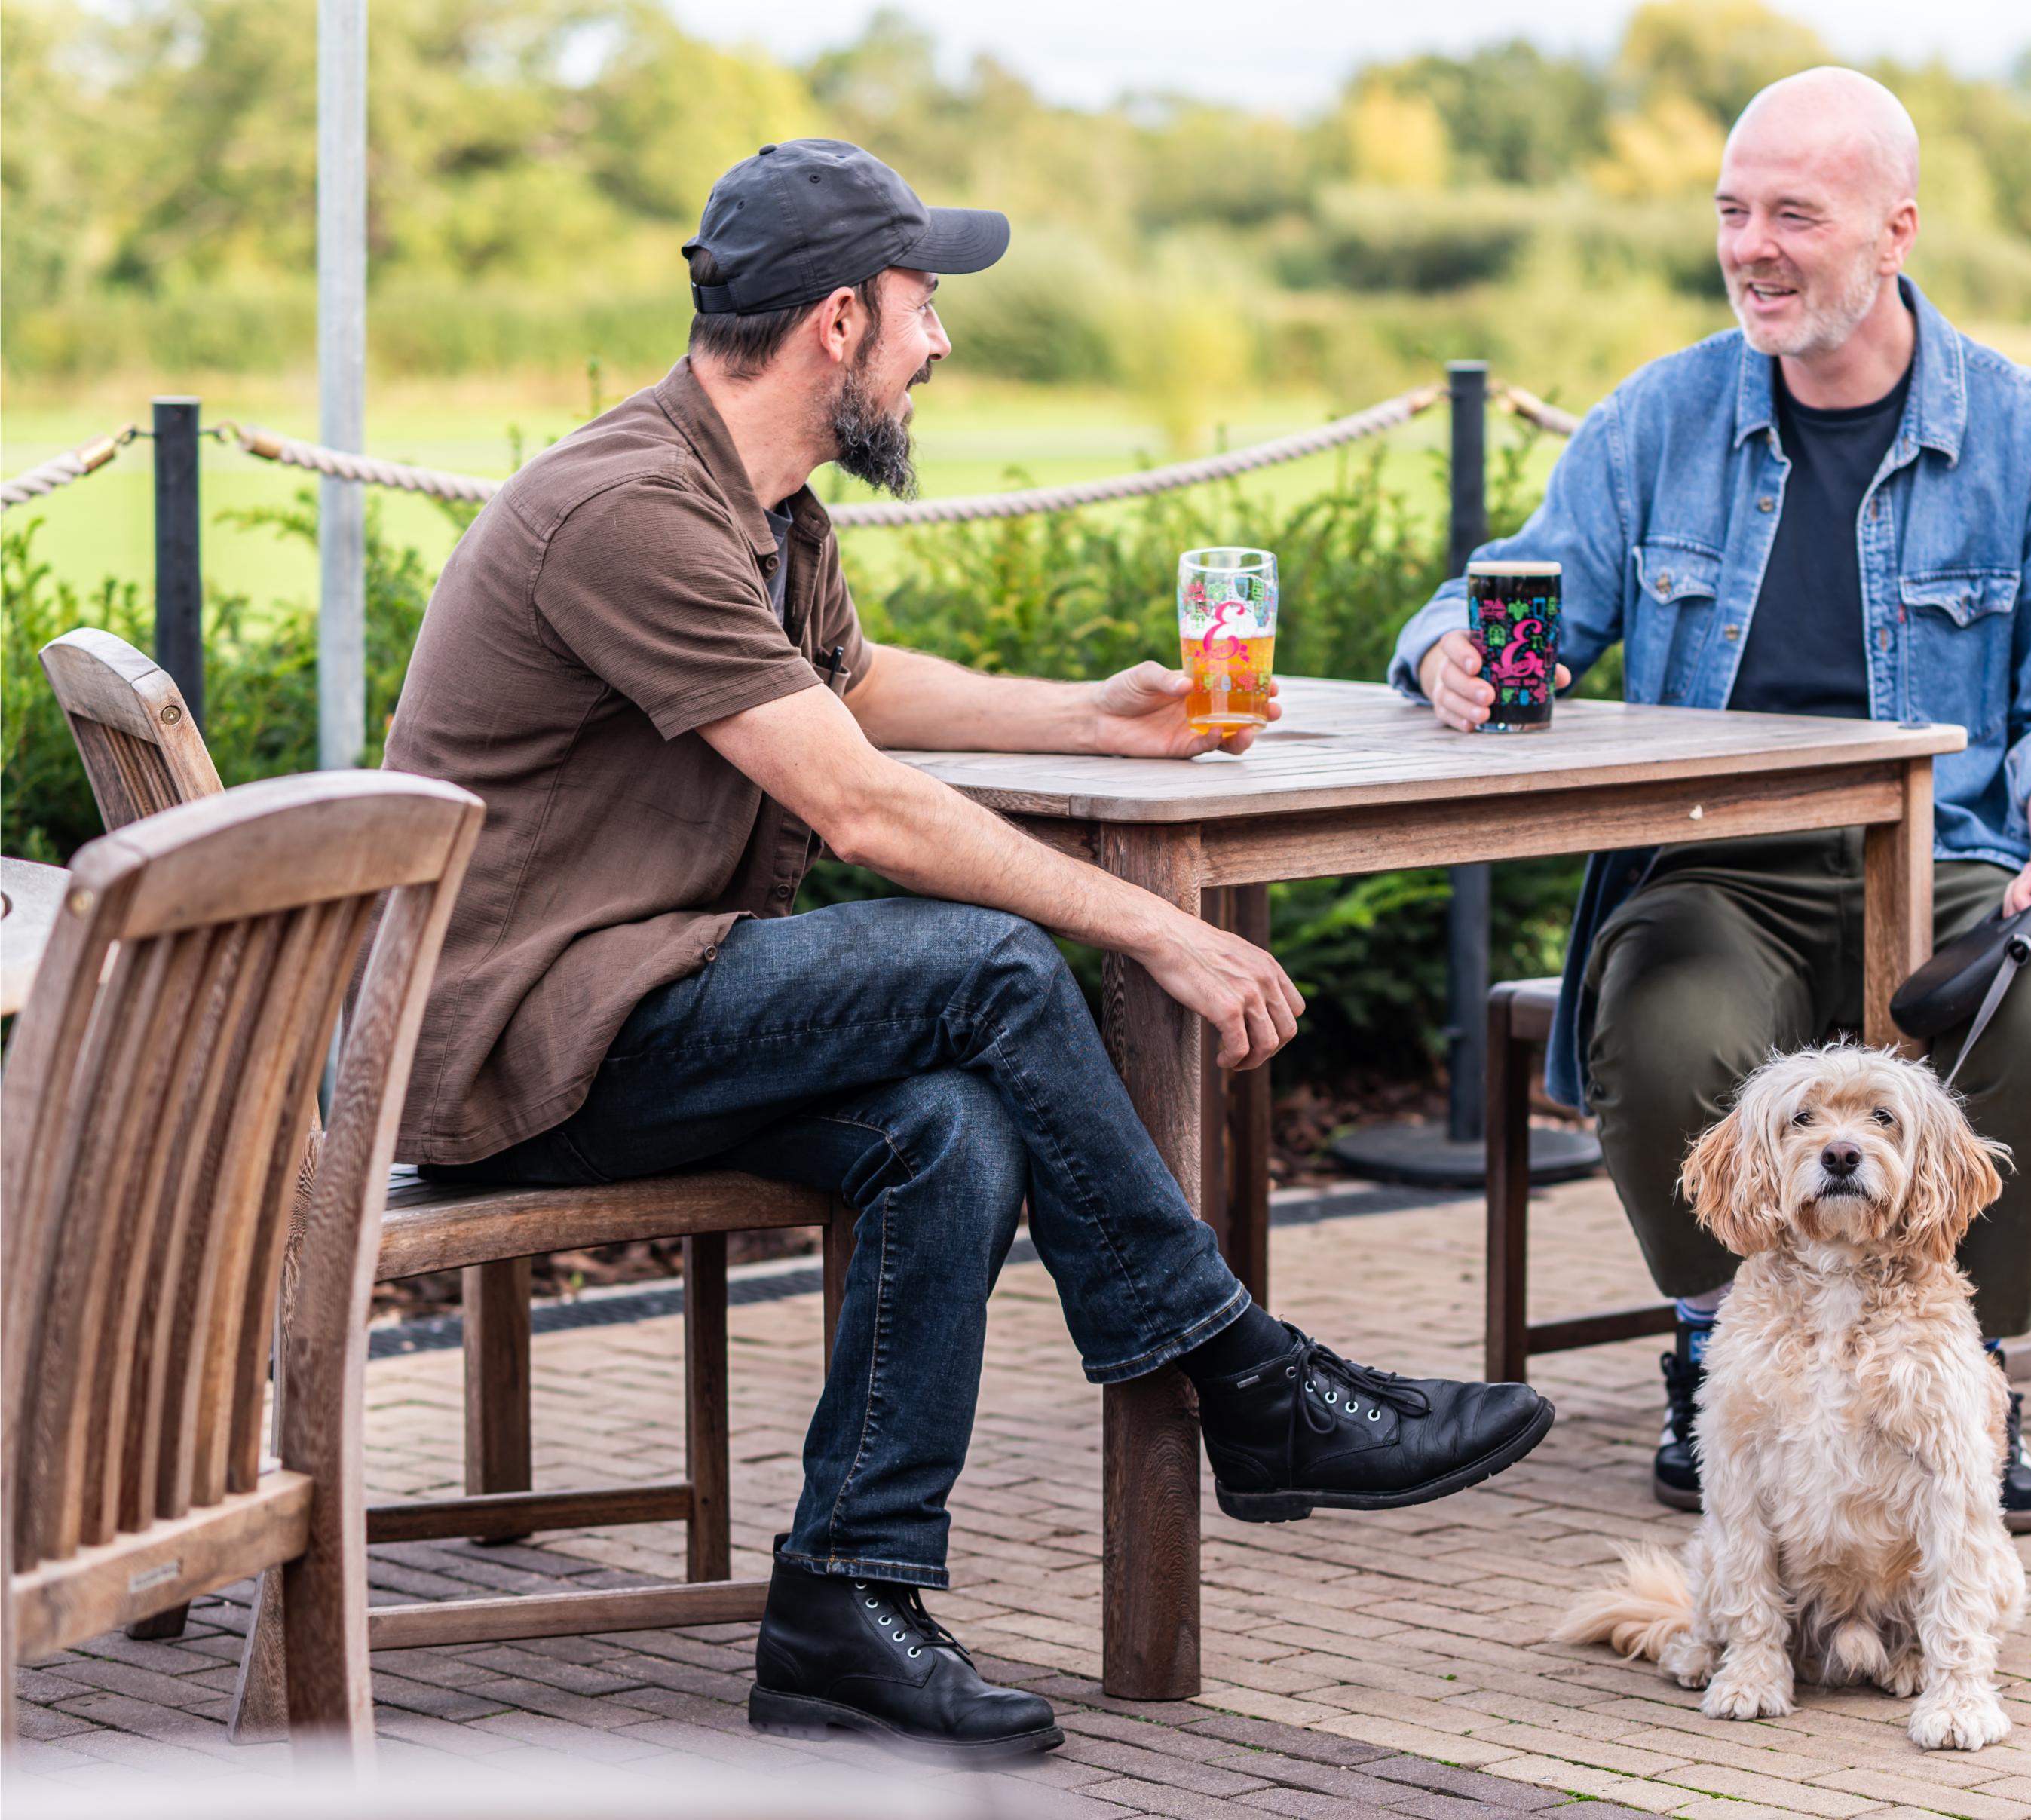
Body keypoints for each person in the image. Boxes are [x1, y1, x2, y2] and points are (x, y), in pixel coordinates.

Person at [384, 139, 1552, 1760]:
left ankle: (845, 1607)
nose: (945, 344)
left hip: (639, 1003)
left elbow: (850, 691)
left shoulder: (762, 504)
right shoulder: (628, 509)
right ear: (844, 323)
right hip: (526, 1047)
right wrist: (1162, 926)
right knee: (991, 966)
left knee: (954, 1126)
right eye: (930, 308)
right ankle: (1251, 1381)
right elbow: (862, 806)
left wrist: (1094, 716)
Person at [1388, 72, 2031, 1532]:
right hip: (1717, 865)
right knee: (1664, 1016)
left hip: (1951, 856)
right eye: (1734, 212)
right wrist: (1452, 654)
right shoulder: (1660, 419)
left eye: (1795, 213)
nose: (1754, 245)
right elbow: (1512, 593)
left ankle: (1964, 1374)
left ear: (1895, 231)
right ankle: (1713, 1352)